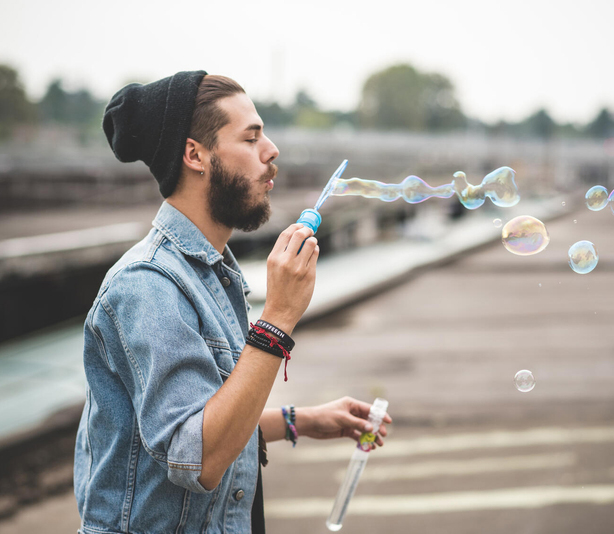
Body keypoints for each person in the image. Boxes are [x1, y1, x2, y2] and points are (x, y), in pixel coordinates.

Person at [74, 70, 391, 534]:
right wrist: (278, 319)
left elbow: (199, 422)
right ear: (195, 155)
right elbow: (197, 458)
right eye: (251, 137)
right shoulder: (148, 285)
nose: (272, 150)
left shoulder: (210, 274)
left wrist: (300, 420)